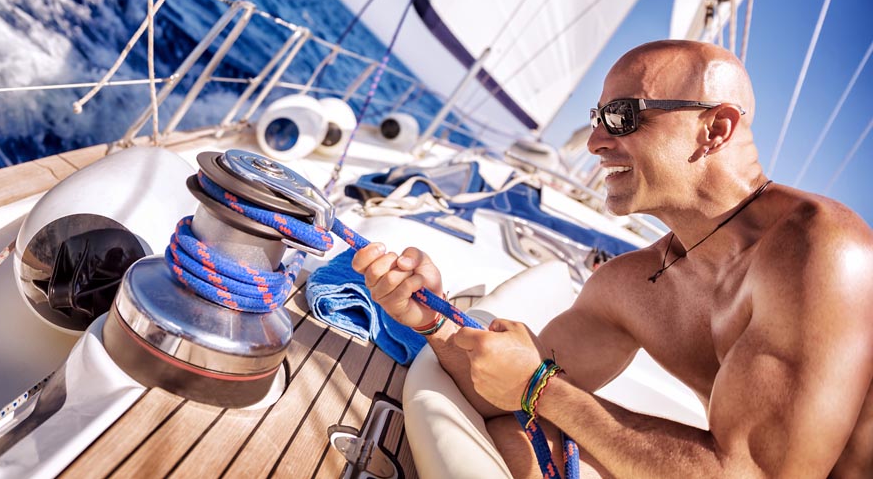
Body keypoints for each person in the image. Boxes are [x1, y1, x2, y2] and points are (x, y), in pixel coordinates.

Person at [353, 40, 873, 478]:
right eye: (597, 118)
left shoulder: (822, 249)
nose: (596, 143)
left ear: (716, 130)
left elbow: (754, 474)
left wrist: (542, 388)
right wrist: (430, 318)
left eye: (622, 117)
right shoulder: (635, 285)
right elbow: (497, 391)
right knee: (517, 436)